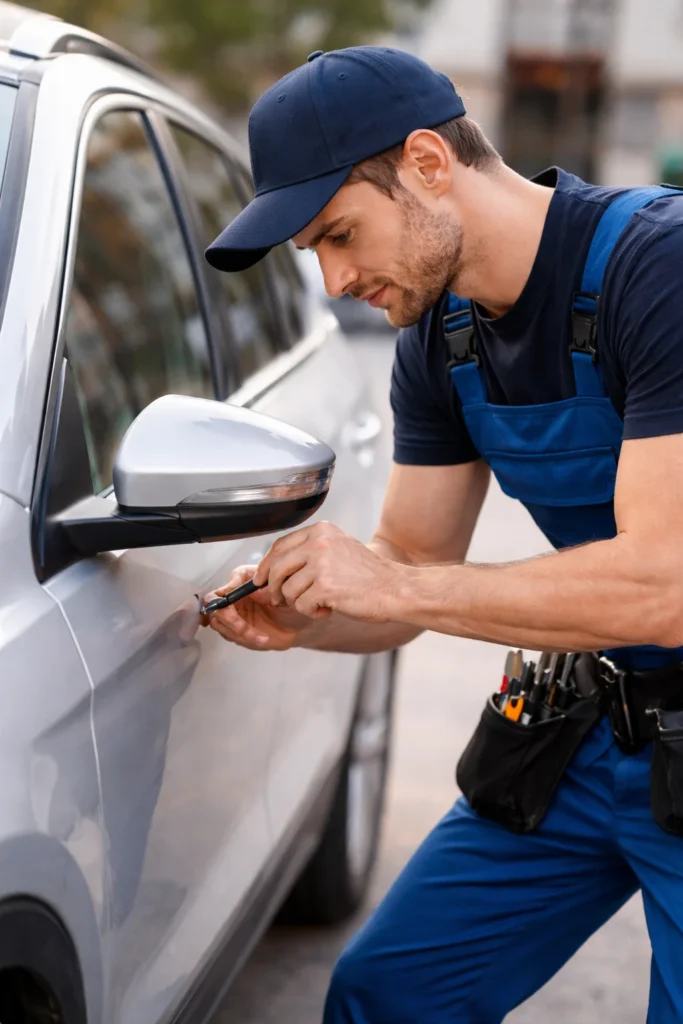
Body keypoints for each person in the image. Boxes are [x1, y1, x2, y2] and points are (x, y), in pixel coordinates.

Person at [204, 46, 683, 1023]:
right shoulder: (440, 337)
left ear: (426, 162)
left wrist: (391, 589)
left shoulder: (657, 271)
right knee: (388, 993)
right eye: (314, 255)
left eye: (339, 234)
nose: (334, 281)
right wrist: (307, 610)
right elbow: (411, 562)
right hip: (591, 729)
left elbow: (662, 586)